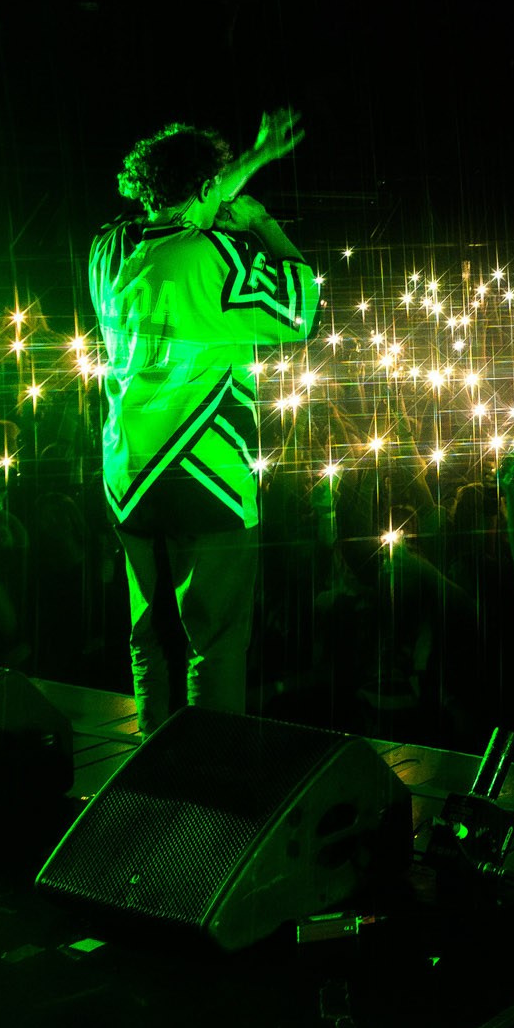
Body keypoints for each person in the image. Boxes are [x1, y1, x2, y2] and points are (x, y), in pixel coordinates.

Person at [88, 113, 315, 732]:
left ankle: (151, 758)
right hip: (203, 468)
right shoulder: (214, 256)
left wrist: (254, 157)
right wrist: (263, 224)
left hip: (129, 469)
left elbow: (188, 207)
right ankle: (211, 773)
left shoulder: (110, 249)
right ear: (210, 186)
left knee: (151, 631)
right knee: (213, 637)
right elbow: (298, 310)